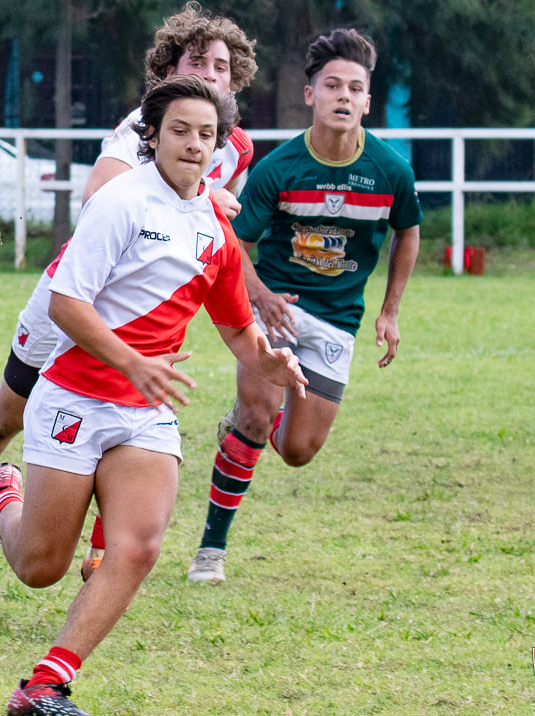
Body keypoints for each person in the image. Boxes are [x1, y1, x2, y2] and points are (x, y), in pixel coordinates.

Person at [0, 75, 306, 716]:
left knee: (139, 545)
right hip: (72, 397)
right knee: (40, 567)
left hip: (144, 410)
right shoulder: (120, 202)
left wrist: (267, 359)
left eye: (207, 135)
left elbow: (235, 324)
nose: (194, 145)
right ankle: (2, 496)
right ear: (152, 135)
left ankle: (45, 684)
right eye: (180, 130)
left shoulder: (214, 229)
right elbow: (66, 302)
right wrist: (133, 361)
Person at [0, 0, 258, 591]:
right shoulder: (142, 128)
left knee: (128, 409)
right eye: (197, 61)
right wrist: (186, 197)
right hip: (72, 297)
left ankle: (98, 542)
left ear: (235, 77)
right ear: (169, 71)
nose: (211, 73)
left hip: (150, 311)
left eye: (221, 65)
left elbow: (209, 240)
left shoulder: (234, 146)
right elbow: (101, 190)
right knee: (3, 419)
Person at [187, 28, 422, 585]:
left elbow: (407, 232)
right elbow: (234, 242)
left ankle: (253, 425)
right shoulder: (280, 168)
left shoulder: (391, 171)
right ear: (310, 93)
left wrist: (388, 311)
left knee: (297, 451)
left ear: (368, 99)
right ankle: (210, 553)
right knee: (255, 416)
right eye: (332, 84)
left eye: (356, 88)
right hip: (274, 312)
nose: (344, 96)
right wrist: (261, 297)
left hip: (338, 321)